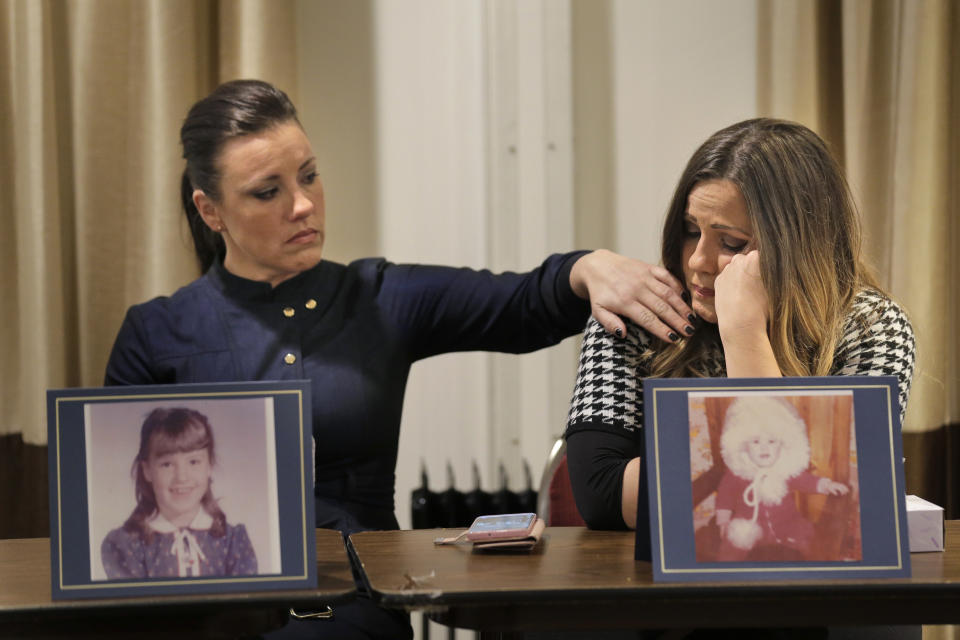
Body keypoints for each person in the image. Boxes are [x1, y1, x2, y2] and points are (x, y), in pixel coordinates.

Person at [103, 79, 693, 639]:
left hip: (353, 603)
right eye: (268, 191)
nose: (304, 204)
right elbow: (116, 502)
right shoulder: (155, 332)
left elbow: (519, 302)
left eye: (309, 176)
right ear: (211, 211)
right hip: (204, 607)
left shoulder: (378, 298)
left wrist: (586, 267)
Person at [565, 117, 915, 532]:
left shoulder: (872, 326)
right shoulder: (639, 314)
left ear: (799, 244)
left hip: (812, 587)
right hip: (654, 583)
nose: (698, 261)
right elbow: (601, 496)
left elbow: (818, 506)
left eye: (731, 243)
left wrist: (744, 333)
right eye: (690, 231)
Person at [101, 407, 257, 579]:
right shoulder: (125, 545)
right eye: (167, 464)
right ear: (147, 471)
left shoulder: (233, 543)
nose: (181, 477)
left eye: (193, 462)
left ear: (209, 466)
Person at [713, 396, 850, 562]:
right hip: (749, 527)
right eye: (755, 442)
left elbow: (805, 480)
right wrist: (723, 522)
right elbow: (724, 497)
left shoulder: (784, 468)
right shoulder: (737, 472)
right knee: (731, 547)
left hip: (787, 523)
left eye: (771, 441)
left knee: (811, 544)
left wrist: (827, 485)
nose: (764, 448)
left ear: (783, 444)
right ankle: (725, 579)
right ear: (743, 445)